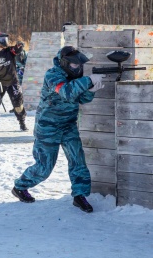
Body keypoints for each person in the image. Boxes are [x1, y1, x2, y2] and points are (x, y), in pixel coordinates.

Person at [11, 46, 105, 213]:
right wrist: (89, 81)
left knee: (78, 161)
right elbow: (67, 92)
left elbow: (81, 98)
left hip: (68, 125)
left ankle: (80, 195)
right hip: (48, 127)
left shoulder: (75, 76)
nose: (78, 68)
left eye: (79, 65)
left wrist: (91, 90)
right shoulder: (53, 75)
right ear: (64, 63)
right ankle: (20, 186)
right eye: (75, 65)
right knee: (44, 167)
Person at [0, 32, 28, 133]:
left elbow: (17, 50)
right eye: (2, 39)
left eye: (6, 39)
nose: (5, 41)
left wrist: (20, 45)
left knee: (18, 104)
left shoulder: (10, 51)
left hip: (13, 82)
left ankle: (22, 124)